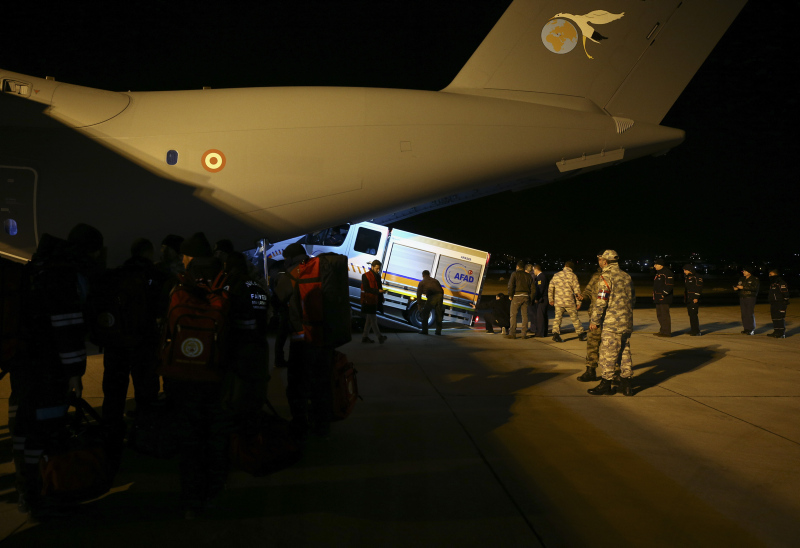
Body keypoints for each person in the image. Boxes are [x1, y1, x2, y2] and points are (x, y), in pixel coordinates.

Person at [13, 224, 105, 518]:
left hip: (24, 367)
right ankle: (43, 494)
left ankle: (28, 491)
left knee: (25, 430)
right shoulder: (63, 275)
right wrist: (75, 371)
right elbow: (67, 326)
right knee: (45, 432)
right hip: (48, 371)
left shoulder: (38, 267)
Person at [166, 232, 235, 519]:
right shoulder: (226, 281)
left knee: (189, 439)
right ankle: (214, 494)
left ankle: (190, 501)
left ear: (190, 257)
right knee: (216, 437)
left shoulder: (180, 284)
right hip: (217, 374)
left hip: (183, 375)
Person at [98, 238, 164, 450]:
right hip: (144, 341)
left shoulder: (117, 274)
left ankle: (111, 436)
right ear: (149, 253)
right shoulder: (154, 274)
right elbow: (160, 308)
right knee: (146, 392)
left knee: (114, 392)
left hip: (116, 343)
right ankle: (144, 436)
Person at [275, 242, 335, 438]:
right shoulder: (322, 269)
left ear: (291, 258)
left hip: (302, 340)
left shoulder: (291, 275)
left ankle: (300, 424)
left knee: (297, 384)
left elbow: (278, 298)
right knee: (321, 383)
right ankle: (323, 425)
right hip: (324, 338)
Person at [587, 250, 635, 397]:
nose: (599, 262)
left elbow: (601, 300)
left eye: (600, 260)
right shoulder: (626, 276)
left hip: (612, 322)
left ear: (605, 262)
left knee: (608, 353)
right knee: (624, 351)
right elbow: (633, 299)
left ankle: (606, 383)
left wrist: (595, 320)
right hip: (626, 321)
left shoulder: (606, 277)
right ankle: (627, 385)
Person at [548, 261, 586, 343]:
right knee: (575, 318)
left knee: (557, 319)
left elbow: (550, 288)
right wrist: (578, 303)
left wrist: (551, 299)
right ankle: (580, 334)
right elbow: (577, 291)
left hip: (558, 301)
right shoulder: (573, 276)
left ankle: (556, 334)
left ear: (565, 266)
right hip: (569, 301)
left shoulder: (556, 275)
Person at [577, 266, 603, 382]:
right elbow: (588, 290)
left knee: (612, 348)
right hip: (595, 318)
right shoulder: (596, 276)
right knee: (592, 344)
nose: (600, 262)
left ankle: (615, 373)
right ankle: (590, 370)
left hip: (610, 318)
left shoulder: (616, 276)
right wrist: (583, 296)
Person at [361, 260, 387, 343]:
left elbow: (379, 287)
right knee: (373, 319)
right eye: (377, 268)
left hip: (374, 300)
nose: (378, 270)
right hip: (368, 300)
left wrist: (381, 297)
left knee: (369, 320)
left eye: (379, 269)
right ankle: (379, 337)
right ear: (372, 267)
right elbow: (366, 288)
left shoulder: (377, 276)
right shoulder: (365, 276)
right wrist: (378, 291)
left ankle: (365, 337)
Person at [505, 261, 532, 339]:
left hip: (517, 296)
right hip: (526, 296)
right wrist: (530, 297)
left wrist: (510, 295)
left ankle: (512, 333)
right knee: (525, 315)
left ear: (517, 267)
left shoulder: (514, 274)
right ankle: (524, 334)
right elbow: (532, 288)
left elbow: (510, 285)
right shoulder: (528, 276)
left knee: (513, 315)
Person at [416, 270, 444, 336]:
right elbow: (441, 290)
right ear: (429, 274)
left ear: (423, 275)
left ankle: (424, 330)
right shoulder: (435, 280)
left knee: (425, 312)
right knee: (438, 314)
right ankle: (438, 331)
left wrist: (419, 304)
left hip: (432, 296)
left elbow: (418, 294)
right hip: (440, 296)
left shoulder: (422, 282)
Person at [734, 266, 759, 335]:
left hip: (750, 297)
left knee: (749, 313)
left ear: (749, 272)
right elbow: (739, 285)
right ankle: (746, 328)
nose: (743, 272)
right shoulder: (742, 279)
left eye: (745, 271)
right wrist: (736, 289)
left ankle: (751, 329)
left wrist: (744, 287)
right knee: (744, 313)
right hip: (742, 297)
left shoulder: (754, 279)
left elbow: (755, 288)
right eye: (743, 271)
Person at [653, 259, 674, 337]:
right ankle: (662, 330)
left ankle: (667, 332)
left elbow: (669, 285)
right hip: (658, 297)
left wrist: (663, 294)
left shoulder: (667, 273)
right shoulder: (659, 273)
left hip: (664, 298)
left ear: (661, 265)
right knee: (660, 315)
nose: (654, 266)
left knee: (664, 315)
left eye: (656, 264)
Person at [767, 269, 790, 338]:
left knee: (779, 318)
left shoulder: (781, 283)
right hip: (773, 303)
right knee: (774, 317)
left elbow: (785, 292)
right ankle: (776, 331)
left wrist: (785, 300)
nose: (769, 276)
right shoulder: (772, 284)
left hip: (780, 303)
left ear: (775, 274)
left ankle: (781, 333)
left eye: (771, 274)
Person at [684, 264, 703, 336]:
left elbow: (699, 287)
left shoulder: (697, 277)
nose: (684, 272)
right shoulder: (687, 277)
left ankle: (696, 331)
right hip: (689, 298)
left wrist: (696, 297)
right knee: (691, 314)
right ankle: (693, 329)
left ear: (689, 270)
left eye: (685, 270)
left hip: (693, 298)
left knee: (694, 314)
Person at [531, 264, 548, 338]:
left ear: (536, 269)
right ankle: (544, 332)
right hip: (544, 298)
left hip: (542, 299)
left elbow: (540, 289)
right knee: (543, 316)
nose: (533, 272)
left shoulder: (540, 277)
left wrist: (537, 298)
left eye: (533, 270)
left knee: (540, 316)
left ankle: (540, 333)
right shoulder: (543, 276)